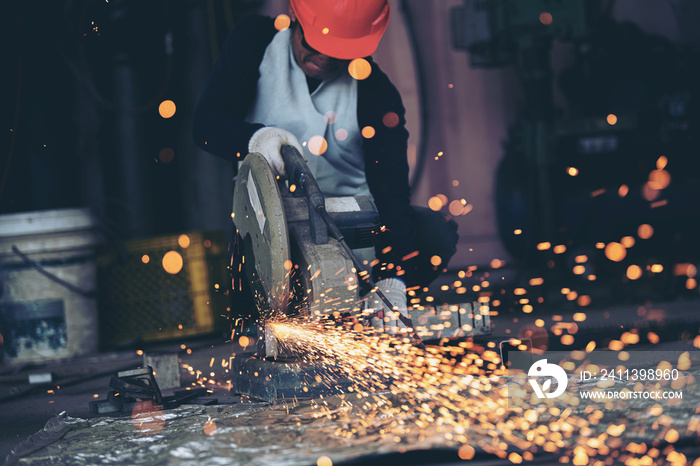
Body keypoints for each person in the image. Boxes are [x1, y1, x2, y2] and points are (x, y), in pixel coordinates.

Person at [193, 0, 458, 331]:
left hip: (355, 234)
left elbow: (391, 192)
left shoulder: (376, 92)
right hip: (273, 233)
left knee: (435, 234)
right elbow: (206, 126)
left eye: (338, 53)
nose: (324, 60)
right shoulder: (254, 42)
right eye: (315, 46)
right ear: (296, 17)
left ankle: (373, 309)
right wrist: (256, 139)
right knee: (260, 304)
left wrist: (392, 277)